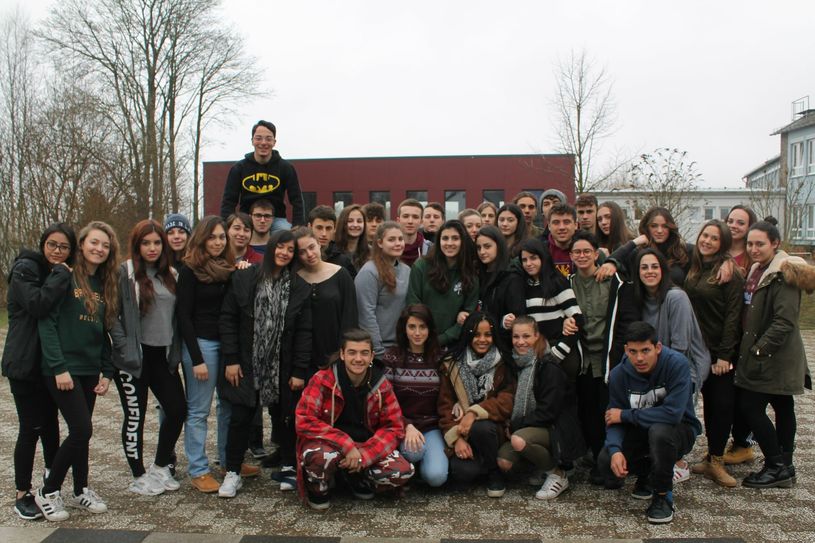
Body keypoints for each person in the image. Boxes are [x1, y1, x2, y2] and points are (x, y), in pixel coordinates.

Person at [35, 221, 120, 521]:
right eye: (94, 242)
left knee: (80, 433)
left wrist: (107, 373)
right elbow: (47, 323)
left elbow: (103, 332)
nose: (99, 249)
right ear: (82, 245)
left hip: (88, 370)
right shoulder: (65, 277)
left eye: (105, 245)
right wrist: (58, 367)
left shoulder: (105, 285)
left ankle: (81, 489)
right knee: (82, 429)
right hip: (61, 369)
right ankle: (47, 491)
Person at [218, 229, 312, 498]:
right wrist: (232, 359)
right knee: (240, 417)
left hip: (282, 364)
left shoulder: (298, 287)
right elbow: (228, 319)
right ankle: (232, 472)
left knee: (286, 418)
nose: (284, 253)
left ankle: (288, 467)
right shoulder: (245, 277)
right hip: (247, 361)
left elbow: (305, 332)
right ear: (271, 248)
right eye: (280, 247)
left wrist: (298, 371)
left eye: (290, 250)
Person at [296, 329, 414, 510]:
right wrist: (346, 444)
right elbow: (304, 420)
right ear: (342, 354)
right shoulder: (322, 380)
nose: (358, 359)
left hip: (364, 446)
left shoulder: (381, 384)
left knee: (402, 471)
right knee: (320, 458)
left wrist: (365, 456)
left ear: (372, 356)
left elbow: (394, 427)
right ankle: (318, 489)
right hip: (331, 445)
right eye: (352, 352)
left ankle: (356, 477)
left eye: (364, 353)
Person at [3, 224, 75, 520]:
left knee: (50, 426)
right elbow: (37, 304)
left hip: (47, 365)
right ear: (43, 244)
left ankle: (50, 486)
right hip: (24, 364)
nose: (57, 251)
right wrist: (60, 275)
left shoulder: (53, 273)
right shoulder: (26, 269)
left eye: (64, 247)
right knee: (30, 428)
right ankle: (22, 493)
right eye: (52, 245)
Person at [598, 321, 702, 525]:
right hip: (642, 432)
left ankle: (663, 496)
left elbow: (672, 414)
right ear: (626, 350)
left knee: (659, 432)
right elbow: (613, 417)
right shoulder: (619, 375)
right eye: (633, 351)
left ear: (658, 348)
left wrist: (627, 415)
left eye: (646, 350)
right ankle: (646, 474)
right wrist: (615, 450)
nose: (639, 358)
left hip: (679, 431)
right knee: (605, 460)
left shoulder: (676, 364)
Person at [110, 220, 186, 496]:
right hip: (134, 360)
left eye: (157, 243)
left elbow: (177, 319)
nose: (152, 248)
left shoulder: (172, 275)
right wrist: (124, 347)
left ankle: (160, 466)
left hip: (163, 357)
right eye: (146, 243)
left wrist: (175, 353)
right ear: (137, 245)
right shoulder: (125, 272)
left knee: (178, 410)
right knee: (135, 417)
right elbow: (111, 314)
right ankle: (138, 474)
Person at [736, 221, 813, 488]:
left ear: (775, 244)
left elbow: (784, 320)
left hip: (774, 356)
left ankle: (776, 464)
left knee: (751, 407)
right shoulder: (758, 269)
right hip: (767, 354)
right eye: (750, 244)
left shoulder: (783, 273)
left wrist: (759, 349)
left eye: (760, 244)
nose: (754, 249)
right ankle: (785, 465)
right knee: (782, 406)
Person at [177, 216, 248, 494]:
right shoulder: (190, 269)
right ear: (202, 239)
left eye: (222, 237)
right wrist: (196, 359)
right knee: (198, 410)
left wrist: (240, 270)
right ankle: (198, 469)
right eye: (212, 237)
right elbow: (183, 316)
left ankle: (228, 462)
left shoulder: (229, 268)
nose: (218, 242)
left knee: (227, 405)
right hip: (202, 345)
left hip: (226, 344)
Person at [564, 230, 638, 483]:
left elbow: (626, 319)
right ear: (571, 256)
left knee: (610, 410)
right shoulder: (568, 284)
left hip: (610, 359)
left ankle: (616, 461)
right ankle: (598, 459)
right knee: (588, 412)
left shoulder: (614, 280)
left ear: (597, 254)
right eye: (577, 252)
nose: (582, 256)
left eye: (587, 251)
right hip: (584, 361)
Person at [633, 248, 711, 484]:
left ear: (663, 270)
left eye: (654, 266)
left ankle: (678, 462)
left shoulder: (676, 297)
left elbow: (680, 348)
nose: (649, 272)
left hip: (682, 366)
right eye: (644, 267)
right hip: (652, 367)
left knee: (671, 418)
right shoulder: (639, 298)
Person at [683, 220, 744, 488]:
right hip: (697, 350)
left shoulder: (728, 272)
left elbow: (733, 315)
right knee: (706, 403)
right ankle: (710, 455)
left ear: (724, 244)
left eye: (714, 239)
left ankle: (717, 461)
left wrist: (724, 355)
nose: (707, 241)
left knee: (721, 405)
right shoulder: (695, 265)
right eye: (705, 235)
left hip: (720, 351)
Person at [496, 317, 583, 500]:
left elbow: (548, 412)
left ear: (537, 336)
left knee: (519, 440)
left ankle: (558, 473)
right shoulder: (514, 364)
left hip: (553, 428)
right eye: (516, 337)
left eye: (526, 336)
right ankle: (538, 467)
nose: (520, 342)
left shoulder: (547, 366)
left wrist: (515, 426)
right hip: (526, 426)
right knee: (504, 462)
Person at [437, 312, 515, 497]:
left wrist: (473, 413)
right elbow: (445, 406)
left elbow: (508, 400)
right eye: (476, 334)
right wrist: (457, 439)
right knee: (462, 473)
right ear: (468, 335)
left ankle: (494, 473)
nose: (482, 339)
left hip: (492, 431)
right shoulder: (452, 364)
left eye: (488, 334)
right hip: (463, 432)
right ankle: (483, 464)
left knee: (481, 428)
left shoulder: (503, 362)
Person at [382, 304, 447, 487]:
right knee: (414, 452)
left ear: (430, 329)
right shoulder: (392, 357)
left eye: (422, 327)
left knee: (437, 478)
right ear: (404, 329)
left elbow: (448, 394)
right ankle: (408, 465)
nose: (417, 333)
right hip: (403, 426)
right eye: (412, 327)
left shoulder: (440, 357)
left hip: (432, 426)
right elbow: (386, 403)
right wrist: (407, 425)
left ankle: (421, 468)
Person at [220, 119, 305, 230]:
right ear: (252, 141)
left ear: (274, 142)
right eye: (258, 138)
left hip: (277, 219)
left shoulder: (286, 168)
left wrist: (298, 226)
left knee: (287, 238)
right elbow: (229, 201)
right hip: (246, 219)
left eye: (268, 139)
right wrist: (226, 226)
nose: (263, 143)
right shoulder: (239, 168)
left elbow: (297, 200)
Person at [406, 220, 479, 346]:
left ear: (463, 241)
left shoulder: (470, 273)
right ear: (438, 241)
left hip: (454, 344)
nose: (449, 243)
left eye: (455, 238)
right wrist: (426, 337)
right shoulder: (421, 266)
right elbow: (413, 305)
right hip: (421, 340)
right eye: (445, 238)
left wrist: (444, 338)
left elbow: (468, 313)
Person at [518, 238, 583, 380]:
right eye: (524, 260)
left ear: (543, 257)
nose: (528, 264)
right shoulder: (524, 286)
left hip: (561, 353)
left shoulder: (556, 282)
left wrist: (558, 352)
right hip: (537, 350)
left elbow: (578, 319)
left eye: (533, 258)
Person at [355, 222, 410, 357]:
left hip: (402, 347)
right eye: (391, 240)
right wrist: (378, 351)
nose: (398, 243)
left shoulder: (407, 270)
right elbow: (366, 314)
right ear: (380, 243)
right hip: (380, 348)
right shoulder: (369, 272)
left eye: (400, 239)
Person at [475, 225, 525, 347]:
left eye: (487, 246)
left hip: (502, 345)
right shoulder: (476, 275)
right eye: (478, 247)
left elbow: (517, 317)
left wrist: (505, 322)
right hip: (478, 343)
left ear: (499, 246)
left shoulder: (512, 277)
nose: (482, 252)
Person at [306, 205, 355, 276]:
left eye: (328, 228)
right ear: (309, 227)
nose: (324, 234)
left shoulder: (343, 262)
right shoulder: (300, 257)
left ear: (334, 229)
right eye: (319, 228)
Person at [335, 204, 369, 275]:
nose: (355, 225)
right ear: (342, 223)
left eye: (359, 221)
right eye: (350, 221)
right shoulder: (333, 253)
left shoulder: (371, 253)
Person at [546, 203, 579, 277]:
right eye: (556, 222)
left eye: (566, 222)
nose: (561, 227)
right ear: (549, 226)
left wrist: (610, 263)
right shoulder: (540, 251)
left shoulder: (588, 250)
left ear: (576, 225)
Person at [397, 199, 432, 267]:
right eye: (406, 216)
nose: (410, 221)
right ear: (398, 220)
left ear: (421, 222)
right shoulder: (387, 249)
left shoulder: (431, 250)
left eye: (415, 217)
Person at [726, 205, 758, 274]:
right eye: (730, 221)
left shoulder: (755, 255)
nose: (733, 226)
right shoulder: (716, 250)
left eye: (741, 223)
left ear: (750, 227)